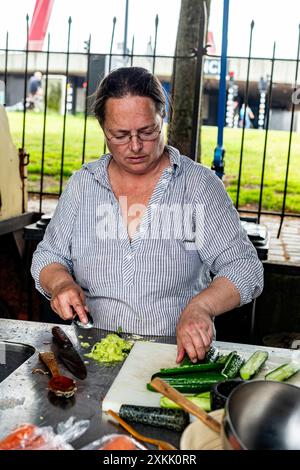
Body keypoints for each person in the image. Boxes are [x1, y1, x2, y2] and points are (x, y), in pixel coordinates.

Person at [31, 67, 263, 363]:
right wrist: (60, 283)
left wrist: (201, 307)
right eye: (120, 135)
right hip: (92, 354)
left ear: (162, 117)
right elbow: (48, 256)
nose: (136, 146)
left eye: (147, 131)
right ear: (103, 129)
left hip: (176, 356)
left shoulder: (198, 186)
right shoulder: (83, 184)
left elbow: (245, 267)